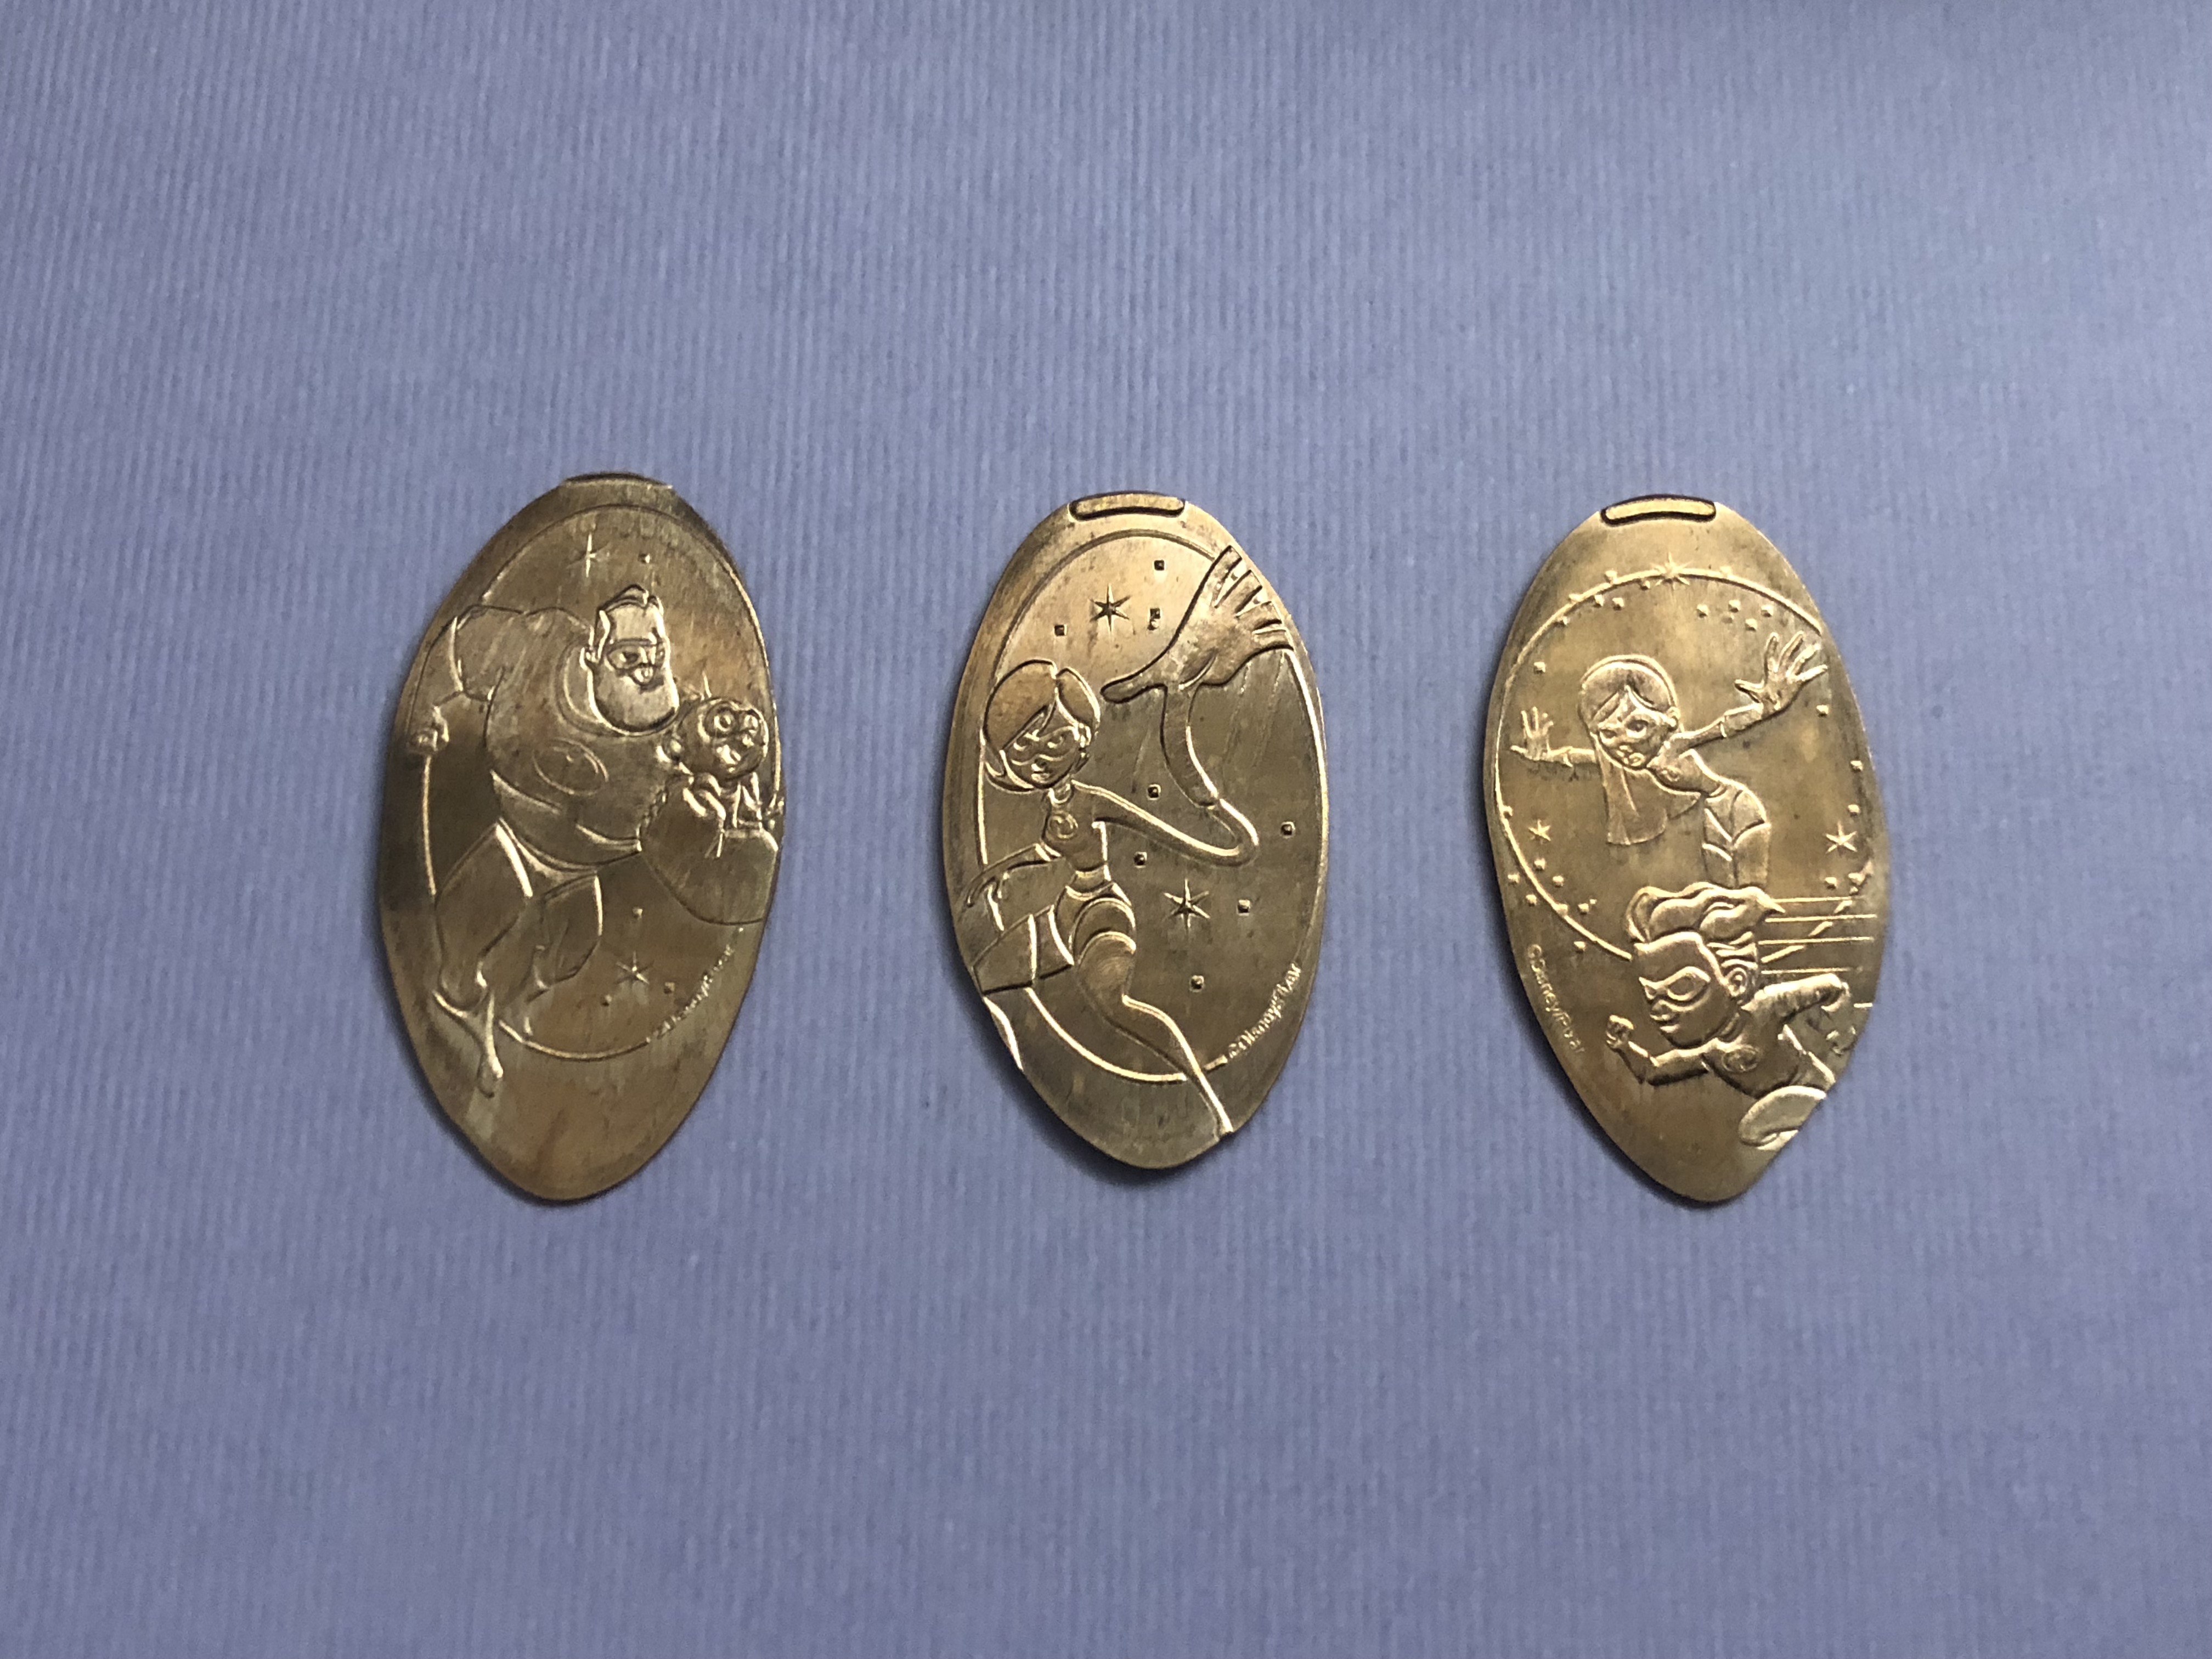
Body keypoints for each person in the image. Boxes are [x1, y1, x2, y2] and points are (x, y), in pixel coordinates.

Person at [962, 548, 1288, 1140]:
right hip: (1061, 913)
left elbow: (1152, 829)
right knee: (993, 979)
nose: (1042, 758)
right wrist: (997, 873)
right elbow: (1048, 852)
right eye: (1026, 752)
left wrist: (1224, 847)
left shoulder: (1092, 801)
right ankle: (1008, 1087)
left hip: (1100, 912)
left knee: (1119, 1010)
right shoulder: (1055, 806)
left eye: (1054, 739)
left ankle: (1205, 1092)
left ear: (1083, 737)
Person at [409, 586, 768, 1092]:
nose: (647, 671)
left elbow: (722, 871)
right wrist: (426, 707)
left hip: (583, 869)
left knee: (576, 943)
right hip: (519, 842)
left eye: (657, 655)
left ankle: (523, 1007)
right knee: (470, 916)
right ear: (594, 653)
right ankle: (461, 1001)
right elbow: (458, 648)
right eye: (630, 657)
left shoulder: (691, 753)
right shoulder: (539, 648)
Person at [1511, 634, 1824, 885]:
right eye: (1608, 734)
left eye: (1637, 726)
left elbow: (1722, 728)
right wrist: (1545, 756)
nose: (1622, 745)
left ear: (1669, 720)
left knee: (1742, 895)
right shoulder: (1618, 764)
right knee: (1720, 896)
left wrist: (1765, 710)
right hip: (1708, 815)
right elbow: (1583, 758)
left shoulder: (1673, 747)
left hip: (1735, 808)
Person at [1605, 882, 1852, 1150]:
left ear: (1736, 981)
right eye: (1652, 995)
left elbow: (1832, 987)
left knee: (1757, 1129)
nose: (1660, 1008)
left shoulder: (1767, 1008)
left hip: (1815, 1091)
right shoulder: (1707, 1052)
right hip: (1776, 1120)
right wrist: (1624, 1048)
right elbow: (1653, 1070)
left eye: (1682, 988)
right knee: (1752, 1133)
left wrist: (1841, 1030)